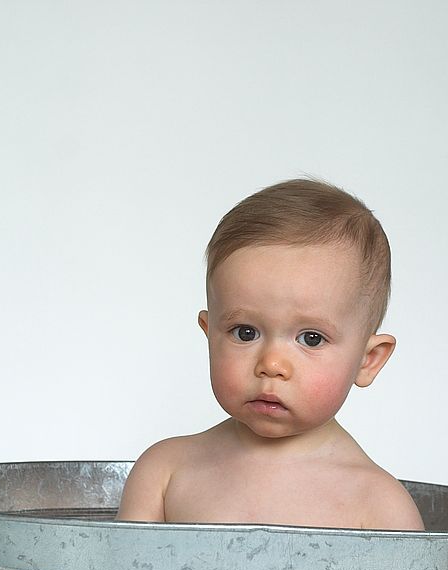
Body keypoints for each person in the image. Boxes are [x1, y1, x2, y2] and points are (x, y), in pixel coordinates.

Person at [116, 178, 424, 531]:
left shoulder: (379, 507)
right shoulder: (165, 473)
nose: (271, 365)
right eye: (245, 333)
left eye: (311, 338)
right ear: (209, 335)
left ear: (368, 360)